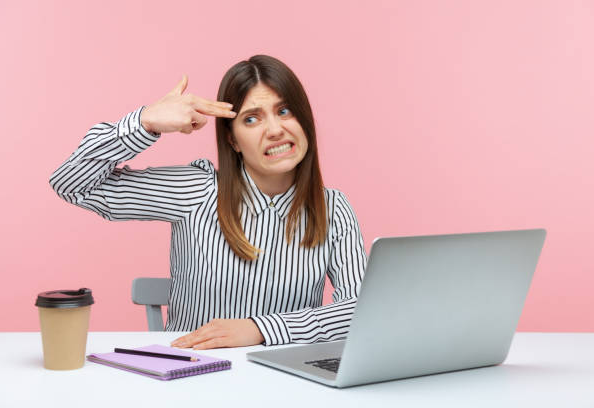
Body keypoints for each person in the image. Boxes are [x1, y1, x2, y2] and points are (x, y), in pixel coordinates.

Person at [49, 55, 367, 350]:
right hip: (193, 377)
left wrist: (261, 329)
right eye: (252, 119)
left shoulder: (333, 209)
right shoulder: (196, 190)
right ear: (232, 139)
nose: (275, 130)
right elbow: (71, 183)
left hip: (285, 381)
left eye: (284, 111)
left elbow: (360, 309)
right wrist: (144, 122)